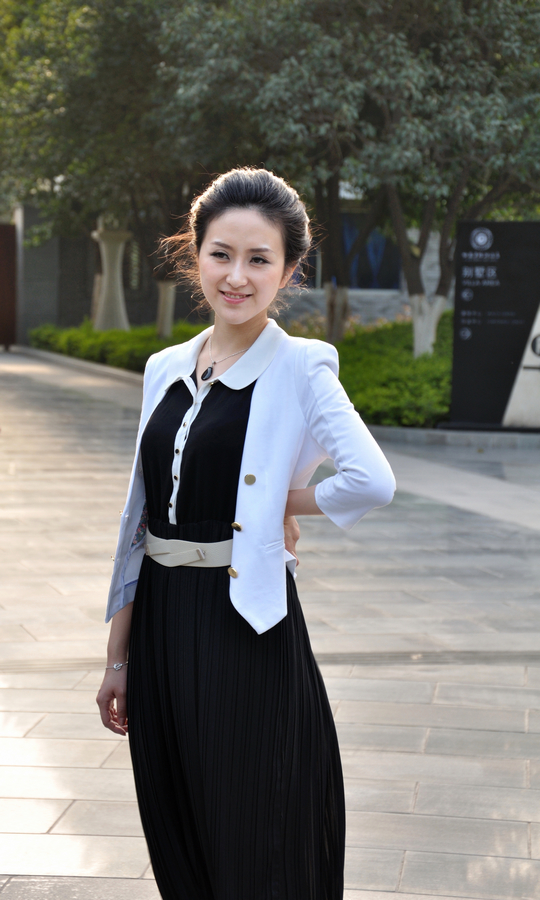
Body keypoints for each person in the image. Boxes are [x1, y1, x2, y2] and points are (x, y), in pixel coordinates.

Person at [96, 167, 396, 900]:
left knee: (254, 823)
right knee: (178, 814)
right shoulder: (165, 366)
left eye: (259, 259)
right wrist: (117, 657)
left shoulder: (301, 367)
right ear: (194, 254)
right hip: (161, 620)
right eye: (221, 254)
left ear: (288, 270)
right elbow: (141, 521)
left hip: (245, 624)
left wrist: (274, 506)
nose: (237, 276)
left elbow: (372, 480)